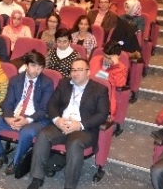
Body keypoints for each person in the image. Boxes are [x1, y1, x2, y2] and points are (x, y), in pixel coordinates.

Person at [26, 59, 109, 189]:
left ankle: (69, 186)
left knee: (75, 143)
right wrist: (57, 120)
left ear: (88, 72)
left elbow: (102, 114)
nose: (75, 73)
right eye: (73, 70)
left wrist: (80, 125)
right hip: (62, 124)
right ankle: (37, 177)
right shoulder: (64, 83)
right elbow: (52, 104)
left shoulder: (100, 89)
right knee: (43, 135)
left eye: (79, 70)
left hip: (84, 129)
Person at [0, 50, 53, 175]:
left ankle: (16, 162)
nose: (37, 70)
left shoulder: (47, 83)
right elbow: (7, 103)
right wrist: (9, 118)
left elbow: (44, 110)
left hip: (35, 119)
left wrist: (27, 120)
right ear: (26, 65)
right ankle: (0, 154)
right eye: (33, 66)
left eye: (40, 67)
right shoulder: (15, 80)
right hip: (15, 115)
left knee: (26, 131)